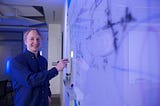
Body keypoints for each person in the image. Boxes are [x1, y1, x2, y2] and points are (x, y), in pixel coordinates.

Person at [10, 28, 68, 106]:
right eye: (32, 39)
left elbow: (45, 82)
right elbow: (30, 81)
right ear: (25, 41)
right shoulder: (17, 61)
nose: (35, 42)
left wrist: (48, 95)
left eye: (38, 39)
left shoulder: (43, 60)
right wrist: (56, 69)